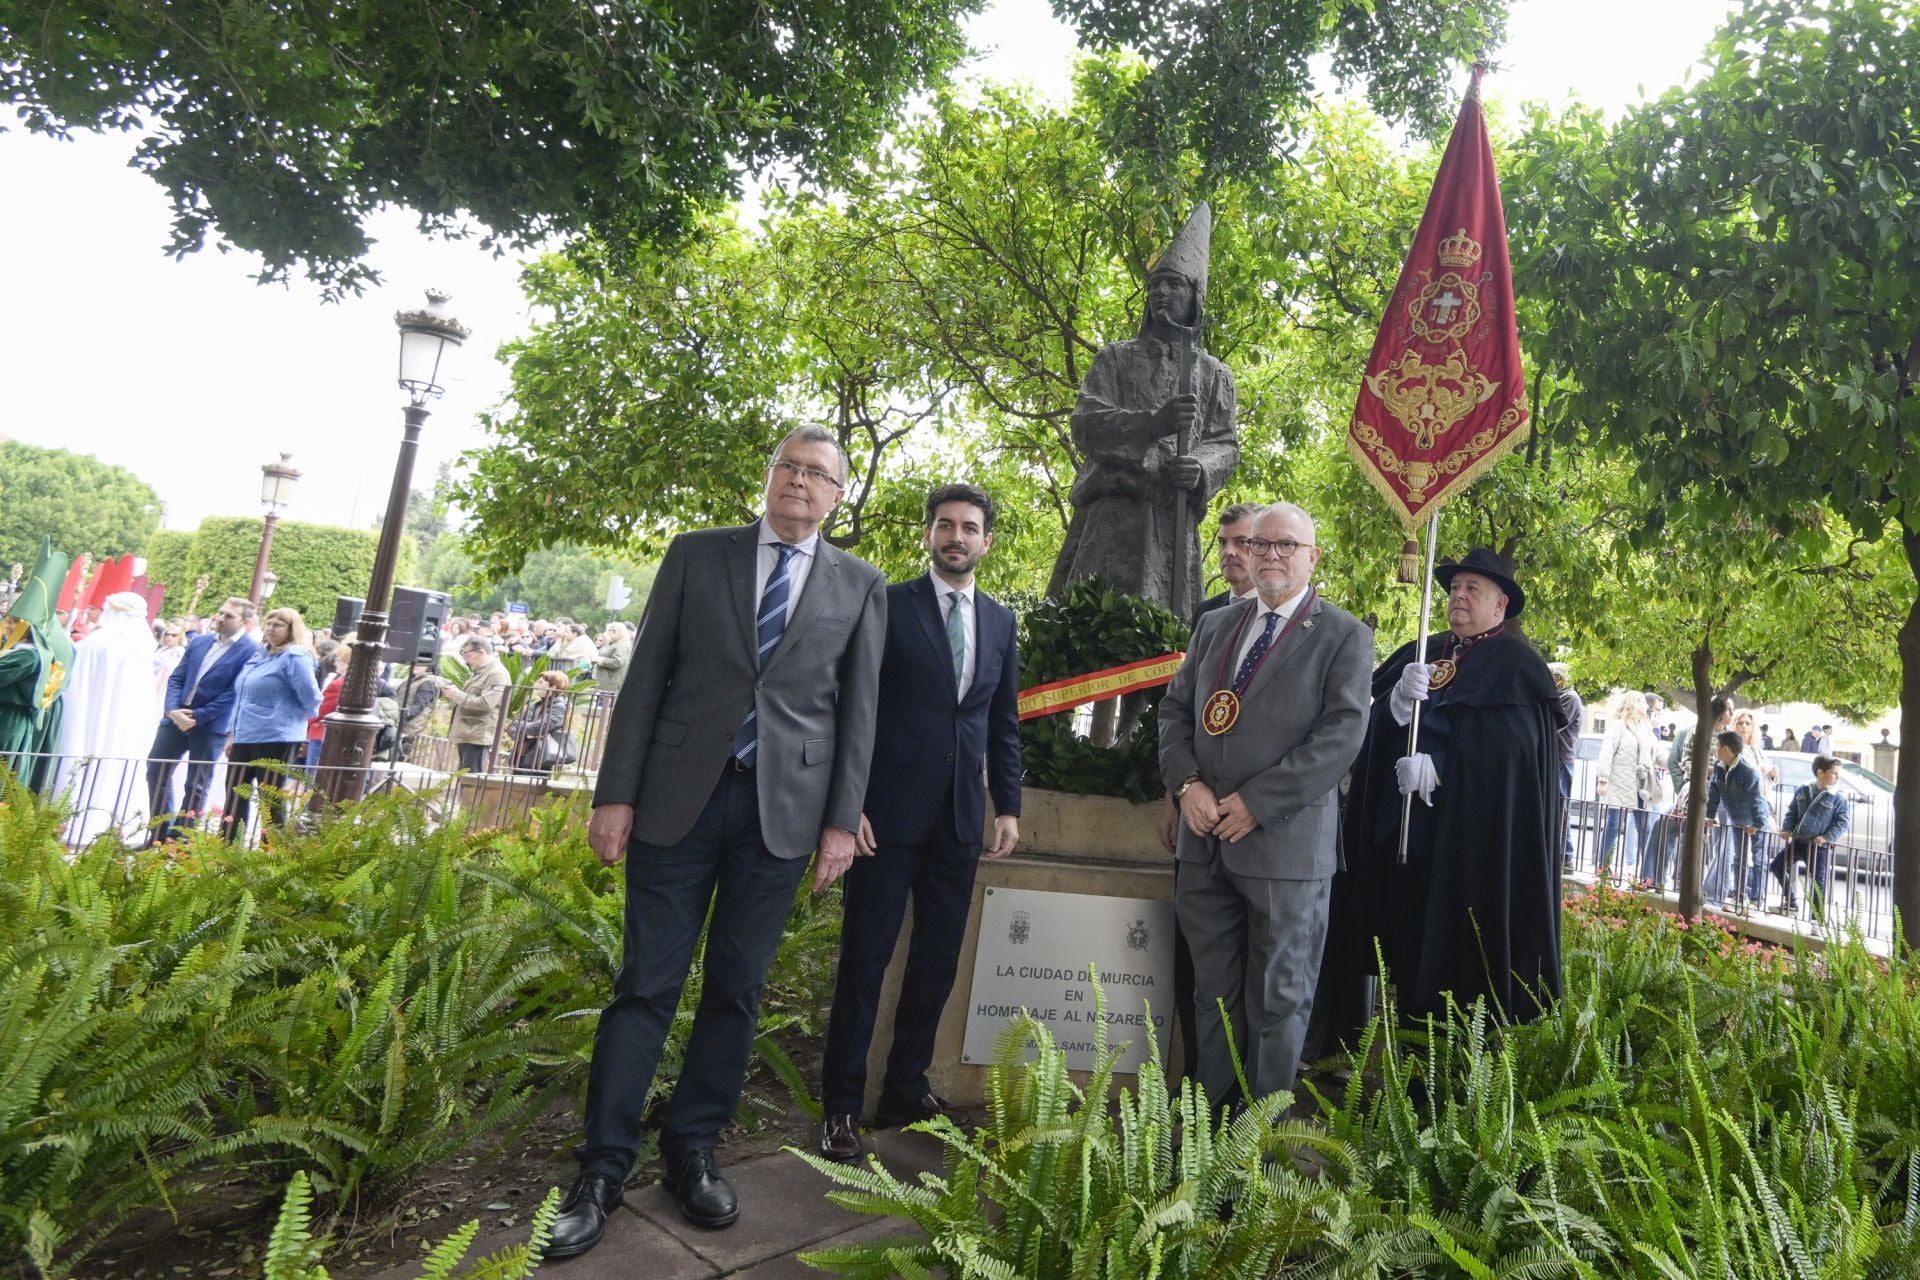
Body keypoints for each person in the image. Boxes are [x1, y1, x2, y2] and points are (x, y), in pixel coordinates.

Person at [550, 425, 886, 1259]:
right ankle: (601, 1170)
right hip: (675, 802)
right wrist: (615, 794)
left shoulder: (861, 584)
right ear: (768, 478)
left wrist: (842, 822)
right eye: (788, 468)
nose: (799, 483)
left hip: (782, 814)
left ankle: (691, 1150)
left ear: (838, 496)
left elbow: (858, 712)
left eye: (817, 475)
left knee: (737, 990)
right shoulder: (698, 555)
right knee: (645, 986)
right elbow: (648, 677)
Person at [818, 482, 1022, 1162]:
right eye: (945, 526)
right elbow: (856, 705)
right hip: (885, 819)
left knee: (936, 963)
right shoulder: (888, 603)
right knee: (865, 963)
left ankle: (906, 1087)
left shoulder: (1000, 621)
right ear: (929, 535)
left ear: (986, 541)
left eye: (969, 527)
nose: (956, 537)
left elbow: (1002, 723)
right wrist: (852, 805)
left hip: (960, 823)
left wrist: (1010, 807)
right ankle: (841, 1108)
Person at [1156, 503, 1371, 1111]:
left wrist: (1255, 801)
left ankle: (1259, 1140)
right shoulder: (1215, 628)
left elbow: (1342, 736)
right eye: (1259, 544)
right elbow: (1175, 714)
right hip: (1205, 847)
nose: (1270, 554)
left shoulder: (1343, 635)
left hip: (1284, 851)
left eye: (1286, 546)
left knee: (1278, 1000)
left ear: (1312, 557)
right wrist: (1187, 785)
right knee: (1211, 995)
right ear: (1244, 553)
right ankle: (1208, 1135)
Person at [1328, 547, 1562, 1035]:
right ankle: (1402, 1068)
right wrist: (1391, 706)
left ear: (1500, 605)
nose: (1458, 596)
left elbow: (1512, 761)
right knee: (1405, 963)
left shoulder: (1517, 667)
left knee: (1456, 972)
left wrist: (1441, 770)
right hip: (1401, 843)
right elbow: (1365, 736)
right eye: (1454, 588)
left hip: (1465, 854)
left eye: (1472, 588)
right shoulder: (1423, 651)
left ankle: (1443, 1085)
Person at [1045, 204, 1239, 622]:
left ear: (1194, 296)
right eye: (1154, 286)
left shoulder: (1215, 374)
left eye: (1172, 285)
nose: (1160, 294)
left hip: (1172, 519)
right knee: (1091, 626)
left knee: (1165, 632)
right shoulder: (1115, 359)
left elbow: (1225, 443)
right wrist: (1153, 424)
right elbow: (1085, 424)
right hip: (1111, 516)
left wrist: (1201, 469)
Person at [1156, 499, 1264, 1086]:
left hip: (1262, 831)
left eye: (1242, 542)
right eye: (1223, 543)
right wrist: (1175, 794)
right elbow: (1181, 715)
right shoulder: (1208, 617)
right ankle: (1197, 1082)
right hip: (1198, 822)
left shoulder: (1309, 625)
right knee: (1198, 966)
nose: (1229, 554)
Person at [147, 598, 260, 844]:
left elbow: (235, 691)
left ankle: (179, 840)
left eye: (228, 616)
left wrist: (198, 716)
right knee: (156, 770)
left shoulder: (251, 651)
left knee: (196, 784)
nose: (220, 618)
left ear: (246, 622)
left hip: (210, 725)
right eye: (220, 612)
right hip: (176, 718)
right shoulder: (199, 641)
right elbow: (177, 678)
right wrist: (172, 710)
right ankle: (158, 833)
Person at [50, 591, 159, 844]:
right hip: (124, 731)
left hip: (89, 724)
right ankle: (116, 830)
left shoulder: (96, 642)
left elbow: (73, 688)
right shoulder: (142, 646)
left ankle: (77, 825)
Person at [220, 608, 322, 842]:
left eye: (279, 624)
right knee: (235, 795)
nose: (271, 628)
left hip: (276, 736)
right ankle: (227, 849)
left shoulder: (295, 656)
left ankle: (272, 854)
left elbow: (310, 695)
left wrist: (294, 718)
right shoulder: (260, 655)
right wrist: (233, 735)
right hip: (245, 735)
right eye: (269, 623)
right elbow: (241, 697)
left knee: (270, 800)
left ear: (290, 629)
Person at [0, 538, 75, 792]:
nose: (8, 627)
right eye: (8, 622)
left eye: (14, 623)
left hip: (9, 720)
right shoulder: (24, 651)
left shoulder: (27, 655)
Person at [1772, 755, 1850, 915]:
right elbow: (1792, 811)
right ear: (1820, 773)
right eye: (1835, 774)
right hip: (1798, 841)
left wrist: (1827, 837)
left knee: (1817, 883)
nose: (1838, 778)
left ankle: (1817, 920)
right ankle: (1791, 902)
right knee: (1776, 865)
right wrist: (1786, 828)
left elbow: (1842, 823)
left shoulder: (1838, 799)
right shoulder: (1803, 790)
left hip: (1817, 846)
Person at [1705, 729, 1773, 911]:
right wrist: (1709, 815)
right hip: (1737, 820)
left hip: (1756, 820)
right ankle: (1739, 897)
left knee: (1759, 860)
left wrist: (1757, 823)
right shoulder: (1719, 767)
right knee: (1739, 859)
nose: (1716, 749)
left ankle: (1757, 901)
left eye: (1718, 746)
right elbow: (1713, 792)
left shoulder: (1747, 770)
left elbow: (1756, 798)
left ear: (1726, 749)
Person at [1595, 690, 1655, 880]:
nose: (1645, 705)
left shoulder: (1644, 727)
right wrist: (1603, 780)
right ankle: (1603, 866)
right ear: (1633, 703)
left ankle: (1648, 873)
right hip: (1620, 781)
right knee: (1614, 824)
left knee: (1644, 826)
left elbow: (1652, 752)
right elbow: (1606, 753)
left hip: (1639, 784)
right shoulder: (1618, 726)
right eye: (1642, 702)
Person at [439, 637, 508, 773]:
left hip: (478, 734)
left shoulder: (496, 674)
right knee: (464, 775)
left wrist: (456, 694)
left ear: (481, 652)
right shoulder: (480, 671)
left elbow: (486, 703)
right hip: (469, 731)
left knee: (471, 778)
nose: (465, 659)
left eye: (467, 655)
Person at [1545, 662, 1582, 869]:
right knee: (1558, 806)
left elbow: (1555, 725)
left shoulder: (1569, 698)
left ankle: (1564, 855)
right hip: (1557, 758)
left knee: (1560, 807)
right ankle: (1563, 854)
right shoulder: (1563, 697)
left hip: (1561, 759)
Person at [509, 670, 575, 775]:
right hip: (520, 755)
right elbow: (512, 728)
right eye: (537, 682)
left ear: (553, 687)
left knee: (531, 788)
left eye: (540, 683)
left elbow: (540, 727)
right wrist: (527, 735)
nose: (535, 685)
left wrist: (520, 726)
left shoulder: (559, 706)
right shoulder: (535, 704)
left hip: (538, 758)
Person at [592, 622, 633, 696]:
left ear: (621, 632)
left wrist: (601, 660)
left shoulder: (621, 645)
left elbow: (618, 662)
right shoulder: (611, 644)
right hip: (604, 683)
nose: (610, 632)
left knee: (605, 706)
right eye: (609, 630)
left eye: (614, 630)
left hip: (610, 684)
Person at [154, 619, 188, 693]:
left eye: (173, 635)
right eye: (167, 634)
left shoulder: (180, 651)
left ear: (180, 636)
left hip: (164, 688)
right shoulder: (162, 649)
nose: (169, 637)